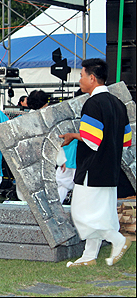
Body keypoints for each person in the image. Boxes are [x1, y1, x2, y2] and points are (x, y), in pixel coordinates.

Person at [60, 58, 132, 268]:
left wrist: (73, 135)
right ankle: (89, 256)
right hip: (111, 170)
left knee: (81, 213)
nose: (80, 80)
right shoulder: (118, 103)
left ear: (92, 78)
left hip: (92, 168)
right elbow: (126, 141)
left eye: (82, 76)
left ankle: (117, 240)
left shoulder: (92, 103)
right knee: (102, 212)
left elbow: (92, 140)